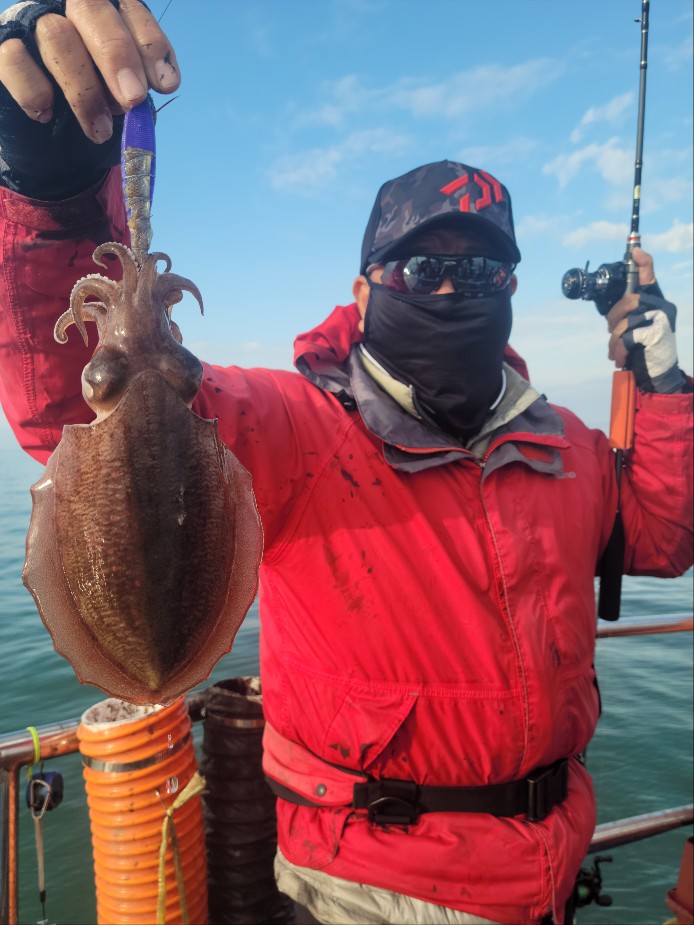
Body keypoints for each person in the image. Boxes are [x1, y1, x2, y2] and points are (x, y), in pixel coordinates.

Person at [0, 3, 692, 924]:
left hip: (550, 870)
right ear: (364, 291)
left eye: (480, 273)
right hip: (363, 887)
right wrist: (50, 192)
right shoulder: (295, 425)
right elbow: (83, 405)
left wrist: (665, 382)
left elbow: (663, 536)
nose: (451, 289)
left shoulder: (565, 443)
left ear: (511, 292)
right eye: (421, 268)